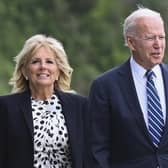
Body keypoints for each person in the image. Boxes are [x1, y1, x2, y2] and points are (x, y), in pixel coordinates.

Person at [88, 6, 168, 168]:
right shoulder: (105, 87)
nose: (158, 45)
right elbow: (97, 149)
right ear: (131, 42)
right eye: (150, 38)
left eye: (161, 37)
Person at [0, 34, 87, 168]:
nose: (43, 67)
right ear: (24, 71)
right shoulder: (6, 107)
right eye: (35, 62)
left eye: (49, 62)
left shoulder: (80, 106)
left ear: (58, 71)